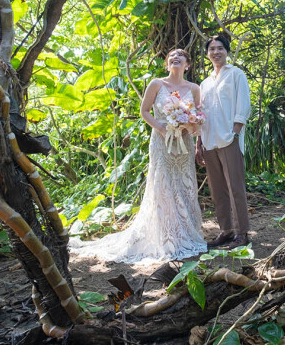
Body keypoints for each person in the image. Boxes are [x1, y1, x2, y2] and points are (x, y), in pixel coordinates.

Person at [71, 48, 207, 263]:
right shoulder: (157, 84)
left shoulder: (194, 88)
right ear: (167, 63)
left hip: (184, 143)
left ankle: (185, 233)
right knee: (163, 185)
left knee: (185, 183)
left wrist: (192, 126)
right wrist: (161, 128)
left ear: (187, 64)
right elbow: (144, 111)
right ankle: (166, 237)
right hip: (162, 141)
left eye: (180, 56)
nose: (175, 58)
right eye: (171, 56)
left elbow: (198, 115)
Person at [195, 35, 251, 248]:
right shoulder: (205, 83)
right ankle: (226, 230)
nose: (216, 52)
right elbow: (201, 113)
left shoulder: (236, 75)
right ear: (207, 54)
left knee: (235, 186)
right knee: (217, 188)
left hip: (229, 138)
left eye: (220, 48)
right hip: (209, 140)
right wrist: (198, 142)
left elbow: (243, 105)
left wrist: (236, 132)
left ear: (227, 51)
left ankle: (242, 233)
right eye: (212, 49)